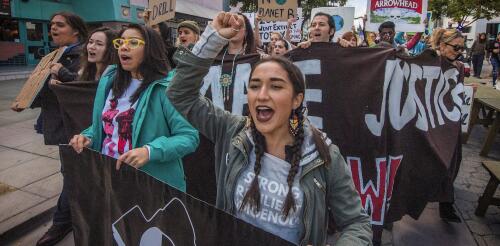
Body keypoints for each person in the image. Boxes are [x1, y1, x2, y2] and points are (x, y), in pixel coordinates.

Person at [167, 12, 372, 245]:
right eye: (254, 86)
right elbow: (180, 94)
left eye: (275, 86)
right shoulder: (232, 131)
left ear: (297, 99)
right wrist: (212, 39)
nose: (262, 95)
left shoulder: (322, 155)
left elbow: (356, 223)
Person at [69, 24, 199, 191]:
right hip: (109, 178)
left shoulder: (167, 88)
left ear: (150, 49)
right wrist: (88, 137)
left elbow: (189, 137)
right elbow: (107, 124)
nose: (124, 47)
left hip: (150, 187)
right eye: (121, 42)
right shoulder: (110, 81)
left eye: (133, 42)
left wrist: (149, 152)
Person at [36, 11, 88, 246]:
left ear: (75, 30)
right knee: (70, 173)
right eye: (51, 25)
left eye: (59, 25)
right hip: (60, 122)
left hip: (76, 125)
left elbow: (86, 85)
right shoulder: (55, 55)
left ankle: (61, 222)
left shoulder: (84, 53)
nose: (53, 29)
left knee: (72, 174)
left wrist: (62, 73)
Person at [430, 27, 466, 223]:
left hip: (449, 122)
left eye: (462, 48)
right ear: (442, 45)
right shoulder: (428, 61)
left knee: (452, 159)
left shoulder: (459, 67)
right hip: (427, 121)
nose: (460, 51)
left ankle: (446, 203)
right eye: (456, 47)